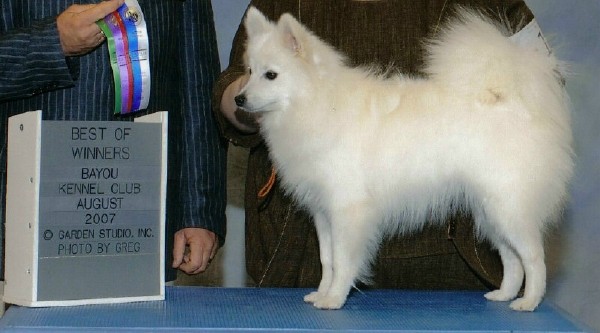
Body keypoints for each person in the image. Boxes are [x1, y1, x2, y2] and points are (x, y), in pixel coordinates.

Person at [215, 0, 537, 290]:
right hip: (295, 262)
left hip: (457, 264)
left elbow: (534, 74)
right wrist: (250, 99)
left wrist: (508, 115)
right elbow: (230, 90)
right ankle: (336, 279)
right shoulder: (279, 7)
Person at [0, 0, 227, 282]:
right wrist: (52, 41)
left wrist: (200, 211)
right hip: (28, 210)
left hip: (144, 214)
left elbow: (198, 81)